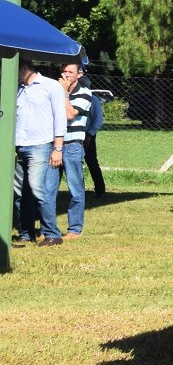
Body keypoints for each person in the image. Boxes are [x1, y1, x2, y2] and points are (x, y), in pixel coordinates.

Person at [12, 62, 68, 246]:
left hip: (40, 146)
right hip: (19, 146)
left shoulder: (51, 86)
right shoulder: (16, 89)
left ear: (24, 68)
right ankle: (26, 233)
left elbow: (60, 117)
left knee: (37, 189)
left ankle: (52, 233)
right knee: (21, 193)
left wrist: (57, 149)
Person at [57, 61, 95, 237]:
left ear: (79, 74)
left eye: (70, 72)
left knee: (75, 188)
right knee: (48, 188)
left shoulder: (85, 93)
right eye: (64, 71)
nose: (66, 74)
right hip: (54, 145)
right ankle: (48, 229)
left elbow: (70, 114)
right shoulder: (56, 90)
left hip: (73, 145)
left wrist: (64, 94)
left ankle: (74, 229)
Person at [79, 68, 108, 197]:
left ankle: (100, 190)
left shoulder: (93, 99)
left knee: (91, 162)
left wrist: (89, 135)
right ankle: (78, 190)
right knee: (73, 163)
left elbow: (98, 120)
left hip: (87, 134)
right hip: (74, 133)